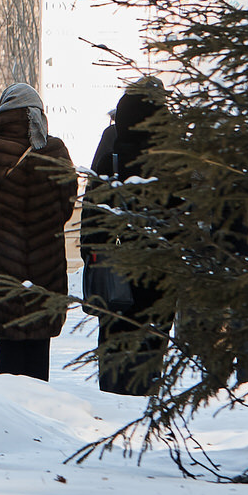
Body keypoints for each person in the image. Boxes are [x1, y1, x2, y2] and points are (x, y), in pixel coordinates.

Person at [0, 83, 76, 381]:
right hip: (44, 265)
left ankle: (12, 405)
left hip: (0, 265)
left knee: (8, 350)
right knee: (39, 345)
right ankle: (39, 401)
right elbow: (67, 205)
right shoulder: (55, 150)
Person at [86, 77, 171, 396]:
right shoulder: (173, 148)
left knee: (114, 328)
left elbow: (93, 206)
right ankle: (147, 390)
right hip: (162, 259)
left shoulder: (113, 145)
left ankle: (113, 393)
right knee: (153, 331)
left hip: (118, 257)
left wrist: (92, 251)